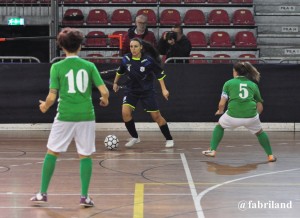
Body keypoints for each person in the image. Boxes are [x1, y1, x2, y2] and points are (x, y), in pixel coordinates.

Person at [30, 27, 109, 207]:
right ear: (80, 46)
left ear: (62, 47)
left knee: (52, 152)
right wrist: (104, 100)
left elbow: (52, 96)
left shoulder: (56, 67)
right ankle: (84, 196)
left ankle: (42, 193)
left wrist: (44, 106)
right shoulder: (89, 66)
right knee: (85, 155)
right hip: (86, 115)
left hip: (65, 115)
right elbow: (104, 91)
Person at [202, 61, 276, 162]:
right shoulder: (253, 85)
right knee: (260, 132)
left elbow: (222, 103)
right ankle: (270, 155)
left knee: (220, 126)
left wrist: (220, 111)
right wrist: (255, 116)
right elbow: (260, 106)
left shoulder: (228, 83)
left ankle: (212, 150)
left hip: (233, 116)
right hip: (251, 116)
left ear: (235, 72)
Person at [113, 38, 174, 148]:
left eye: (136, 46)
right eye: (131, 46)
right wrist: (115, 83)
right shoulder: (126, 59)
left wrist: (164, 89)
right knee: (125, 113)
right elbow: (120, 71)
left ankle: (169, 138)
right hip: (131, 90)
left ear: (141, 47)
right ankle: (135, 137)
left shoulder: (148, 60)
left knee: (156, 116)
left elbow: (159, 75)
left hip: (147, 91)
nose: (133, 49)